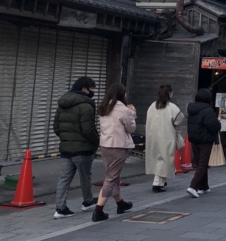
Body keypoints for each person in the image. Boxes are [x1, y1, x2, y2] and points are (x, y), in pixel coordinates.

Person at [52, 76, 99, 219]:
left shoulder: (62, 103)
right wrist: (96, 142)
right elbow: (88, 129)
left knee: (64, 178)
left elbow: (56, 127)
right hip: (83, 148)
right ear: (84, 89)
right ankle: (88, 201)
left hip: (66, 148)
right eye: (91, 89)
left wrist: (66, 138)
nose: (92, 92)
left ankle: (60, 208)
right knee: (85, 175)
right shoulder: (86, 105)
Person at [93, 83, 136, 222]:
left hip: (105, 145)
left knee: (113, 175)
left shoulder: (104, 107)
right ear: (121, 95)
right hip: (119, 146)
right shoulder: (125, 110)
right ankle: (98, 210)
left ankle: (120, 204)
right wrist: (133, 115)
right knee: (111, 178)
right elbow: (131, 129)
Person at [145, 84, 183, 193]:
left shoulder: (152, 105)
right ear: (170, 93)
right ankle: (157, 183)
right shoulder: (171, 107)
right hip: (166, 135)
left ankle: (161, 181)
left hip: (153, 135)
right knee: (164, 158)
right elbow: (179, 118)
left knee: (157, 158)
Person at [186, 88, 221, 198]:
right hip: (205, 140)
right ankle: (193, 186)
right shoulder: (208, 110)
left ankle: (204, 187)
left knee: (200, 163)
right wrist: (218, 124)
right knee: (202, 164)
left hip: (194, 139)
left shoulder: (191, 109)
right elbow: (214, 126)